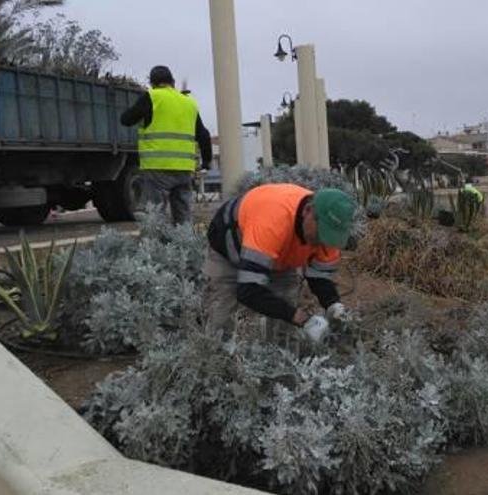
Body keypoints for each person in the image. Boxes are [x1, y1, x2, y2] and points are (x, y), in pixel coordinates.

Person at [204, 183, 356, 342]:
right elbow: (248, 290)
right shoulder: (273, 221)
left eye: (329, 235)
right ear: (308, 211)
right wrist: (302, 319)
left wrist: (333, 306)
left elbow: (319, 277)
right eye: (320, 233)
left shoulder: (328, 235)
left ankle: (278, 359)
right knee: (220, 322)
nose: (322, 242)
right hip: (229, 249)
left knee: (284, 331)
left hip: (281, 256)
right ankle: (215, 360)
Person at [121, 65, 213, 224]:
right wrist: (206, 161)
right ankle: (186, 246)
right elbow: (204, 135)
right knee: (183, 216)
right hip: (184, 169)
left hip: (157, 168)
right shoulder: (189, 103)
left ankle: (158, 248)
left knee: (156, 215)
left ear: (152, 83)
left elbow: (126, 120)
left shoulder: (152, 97)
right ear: (173, 82)